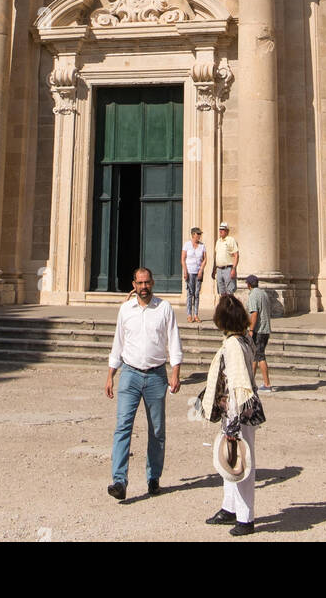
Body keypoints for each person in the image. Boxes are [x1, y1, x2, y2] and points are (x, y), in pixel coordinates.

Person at [105, 266, 183, 500]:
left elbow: (174, 340)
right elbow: (118, 342)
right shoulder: (125, 310)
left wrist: (176, 371)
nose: (143, 287)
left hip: (157, 375)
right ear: (133, 285)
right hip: (129, 373)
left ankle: (153, 477)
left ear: (153, 283)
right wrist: (111, 373)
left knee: (157, 430)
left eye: (147, 282)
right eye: (140, 283)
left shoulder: (164, 308)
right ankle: (119, 481)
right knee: (122, 427)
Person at [202, 293, 266, 536]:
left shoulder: (233, 345)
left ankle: (245, 518)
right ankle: (229, 508)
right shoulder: (243, 340)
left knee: (242, 463)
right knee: (231, 459)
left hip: (238, 412)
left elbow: (238, 384)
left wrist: (233, 424)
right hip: (239, 409)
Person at [244, 274, 272, 393]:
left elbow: (254, 313)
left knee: (260, 356)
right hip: (265, 329)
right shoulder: (263, 294)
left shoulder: (253, 295)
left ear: (248, 285)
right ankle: (251, 382)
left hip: (258, 330)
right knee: (255, 356)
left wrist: (251, 330)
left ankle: (267, 384)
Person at [181, 227, 206, 322]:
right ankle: (189, 315)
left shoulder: (202, 246)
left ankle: (196, 314)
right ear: (193, 235)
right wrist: (185, 271)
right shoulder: (187, 245)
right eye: (197, 234)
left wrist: (201, 270)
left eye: (200, 234)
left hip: (198, 272)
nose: (199, 236)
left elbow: (205, 259)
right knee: (189, 293)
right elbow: (183, 259)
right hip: (189, 271)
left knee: (196, 294)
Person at [212, 222, 239, 296]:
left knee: (230, 291)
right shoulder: (218, 241)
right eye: (220, 229)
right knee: (221, 292)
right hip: (219, 269)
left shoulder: (231, 240)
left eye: (223, 229)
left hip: (228, 269)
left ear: (227, 231)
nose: (221, 231)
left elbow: (236, 255)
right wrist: (214, 270)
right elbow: (216, 256)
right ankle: (224, 307)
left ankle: (230, 307)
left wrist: (234, 269)